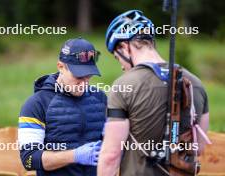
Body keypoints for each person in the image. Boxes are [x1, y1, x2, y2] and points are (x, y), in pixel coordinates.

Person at [98, 10, 209, 176]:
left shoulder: (123, 86)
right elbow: (199, 147)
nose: (121, 65)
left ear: (124, 46)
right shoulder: (197, 84)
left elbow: (111, 156)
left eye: (117, 57)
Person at [18, 38, 107, 176]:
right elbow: (28, 159)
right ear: (60, 67)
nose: (84, 84)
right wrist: (74, 156)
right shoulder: (36, 104)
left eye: (88, 77)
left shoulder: (100, 98)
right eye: (78, 77)